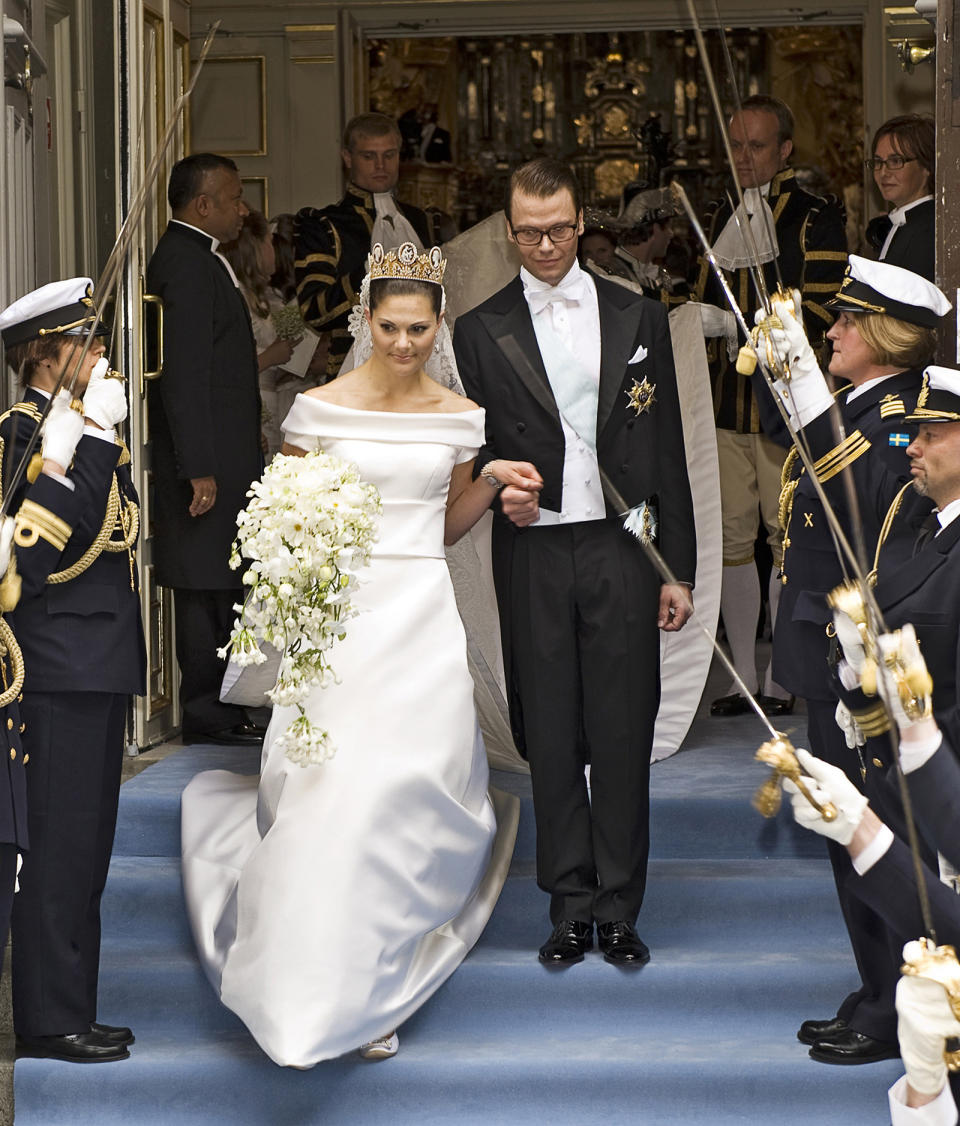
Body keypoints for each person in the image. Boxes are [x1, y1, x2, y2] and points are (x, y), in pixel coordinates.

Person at [180, 242, 525, 1067]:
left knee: (404, 791)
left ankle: (379, 970)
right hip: (340, 622)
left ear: (438, 324)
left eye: (419, 327)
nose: (404, 343)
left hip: (422, 616)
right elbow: (285, 521)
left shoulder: (460, 415)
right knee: (338, 793)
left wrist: (492, 482)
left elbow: (440, 526)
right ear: (363, 319)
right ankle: (317, 979)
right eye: (390, 326)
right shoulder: (318, 411)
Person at [453, 157, 696, 968]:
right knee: (549, 728)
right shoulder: (480, 328)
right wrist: (499, 484)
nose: (546, 245)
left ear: (582, 220)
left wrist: (677, 567)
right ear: (509, 228)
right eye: (528, 233)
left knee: (624, 727)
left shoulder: (639, 315)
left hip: (625, 544)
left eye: (558, 229)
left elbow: (666, 451)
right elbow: (476, 445)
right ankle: (568, 904)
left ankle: (621, 907)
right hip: (534, 549)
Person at [752, 270, 950, 1065]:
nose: (830, 333)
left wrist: (800, 377)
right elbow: (797, 441)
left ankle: (898, 999)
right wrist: (787, 372)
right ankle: (877, 985)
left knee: (875, 827)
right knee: (847, 825)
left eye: (845, 322)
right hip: (827, 639)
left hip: (865, 658)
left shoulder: (904, 417)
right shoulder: (867, 407)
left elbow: (855, 497)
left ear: (889, 334)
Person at [0, 277, 145, 1063]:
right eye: (89, 347)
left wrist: (90, 431)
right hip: (55, 667)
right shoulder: (21, 434)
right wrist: (86, 436)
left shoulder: (70, 425)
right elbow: (44, 548)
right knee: (56, 850)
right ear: (49, 358)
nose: (104, 359)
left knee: (85, 850)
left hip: (93, 662)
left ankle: (71, 1007)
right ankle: (50, 1021)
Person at [691, 93, 848, 719]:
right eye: (736, 145)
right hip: (725, 406)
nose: (745, 157)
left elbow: (825, 307)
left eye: (757, 145)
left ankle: (785, 679)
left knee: (787, 538)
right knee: (731, 538)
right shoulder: (719, 211)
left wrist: (743, 325)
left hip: (786, 404)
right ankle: (741, 679)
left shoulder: (813, 217)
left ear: (784, 149)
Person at [146, 153, 264, 746]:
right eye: (235, 197)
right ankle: (206, 711)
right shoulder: (188, 265)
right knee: (204, 587)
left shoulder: (195, 258)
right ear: (204, 204)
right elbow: (185, 376)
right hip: (204, 463)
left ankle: (222, 704)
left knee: (219, 583)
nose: (244, 208)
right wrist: (199, 469)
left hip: (218, 457)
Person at [295, 112, 430, 381]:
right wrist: (369, 272)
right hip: (354, 372)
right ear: (348, 158)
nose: (381, 165)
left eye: (389, 155)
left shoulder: (421, 220)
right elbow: (314, 311)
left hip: (422, 370)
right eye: (369, 156)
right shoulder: (323, 224)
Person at [221, 210, 327, 459]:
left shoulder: (263, 294)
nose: (275, 249)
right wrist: (271, 357)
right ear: (254, 249)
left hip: (272, 395)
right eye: (269, 241)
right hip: (254, 397)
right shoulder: (239, 297)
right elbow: (229, 365)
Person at [865, 115, 935, 280]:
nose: (883, 173)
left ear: (927, 166)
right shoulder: (899, 224)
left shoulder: (931, 230)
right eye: (878, 162)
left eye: (896, 161)